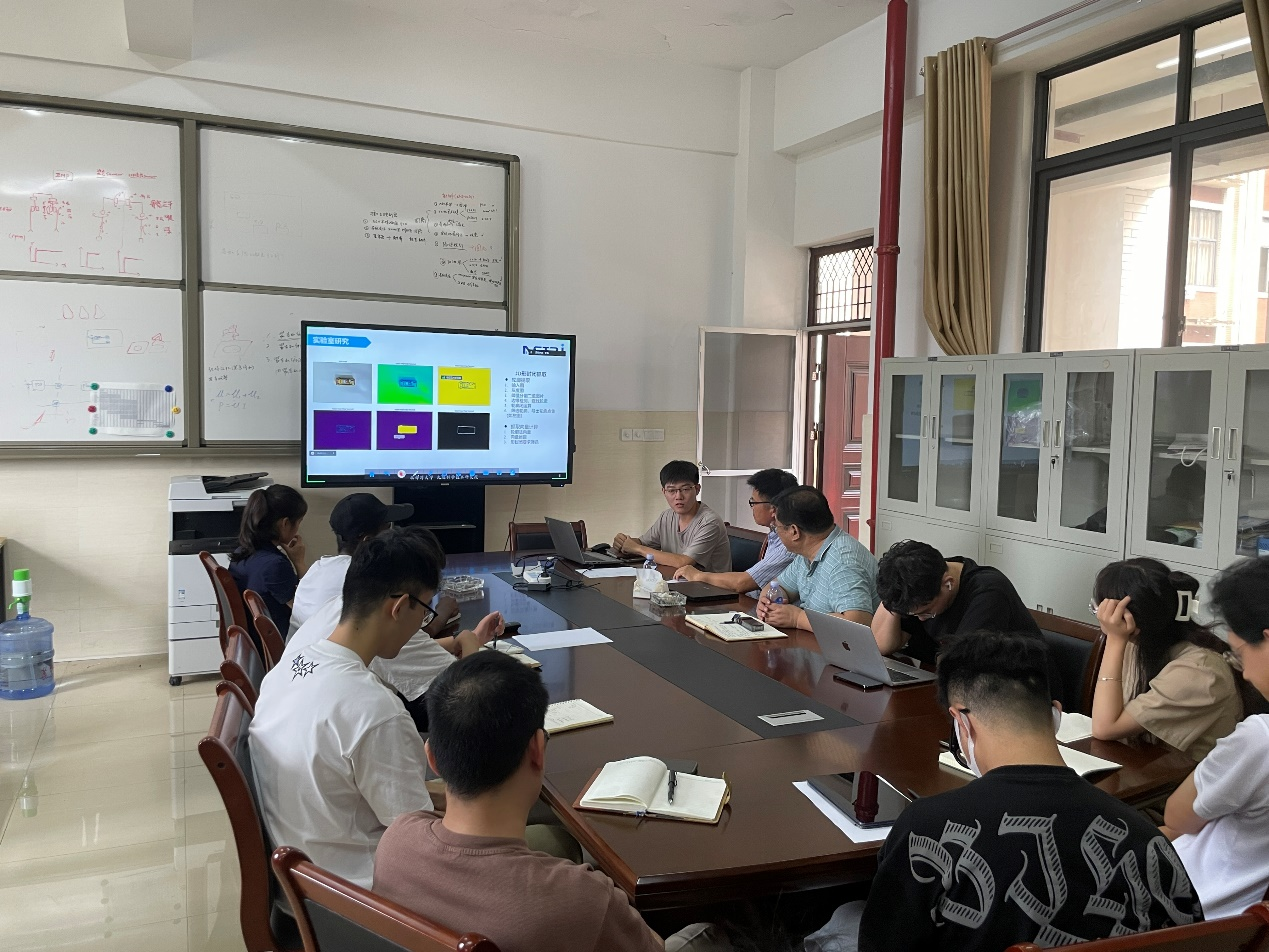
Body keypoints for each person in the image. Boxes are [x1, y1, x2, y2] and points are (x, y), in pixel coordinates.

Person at [812, 631, 1201, 952]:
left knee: (841, 922)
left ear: (962, 724)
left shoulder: (927, 829)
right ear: (1055, 714)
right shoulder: (1145, 838)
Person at [374, 650, 728, 952]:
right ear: (538, 751)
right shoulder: (581, 899)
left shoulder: (396, 843)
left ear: (433, 759)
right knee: (727, 929)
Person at [248, 526, 439, 888]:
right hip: (365, 891)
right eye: (426, 612)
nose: (422, 624)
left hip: (308, 869)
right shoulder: (376, 712)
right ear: (399, 608)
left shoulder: (288, 667)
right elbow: (418, 843)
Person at [281, 525, 503, 733]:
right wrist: (472, 650)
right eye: (425, 609)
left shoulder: (338, 610)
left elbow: (408, 650)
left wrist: (462, 640)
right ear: (400, 607)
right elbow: (471, 703)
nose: (422, 619)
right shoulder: (381, 714)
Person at [1164, 556, 1269, 917]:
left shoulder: (1259, 740)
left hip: (1199, 910)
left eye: (1240, 655)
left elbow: (1178, 817)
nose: (1246, 675)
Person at [1091, 558, 1241, 761]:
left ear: (1126, 620)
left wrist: (1114, 640)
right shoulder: (1138, 644)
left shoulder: (1200, 671)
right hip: (1144, 763)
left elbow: (1105, 728)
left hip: (1186, 775)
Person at [871, 540, 1054, 682]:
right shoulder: (919, 582)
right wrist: (893, 598)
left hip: (1022, 692)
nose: (921, 619)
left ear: (948, 583)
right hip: (964, 686)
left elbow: (956, 664)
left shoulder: (989, 592)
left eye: (927, 612)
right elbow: (880, 645)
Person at [289, 492, 459, 637]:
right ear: (368, 541)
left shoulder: (318, 568)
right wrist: (442, 611)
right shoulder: (367, 581)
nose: (394, 535)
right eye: (388, 528)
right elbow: (407, 641)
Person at [752, 486, 877, 631]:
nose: (777, 532)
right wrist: (766, 602)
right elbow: (779, 586)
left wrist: (797, 618)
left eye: (777, 527)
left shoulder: (844, 563)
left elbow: (858, 624)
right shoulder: (808, 551)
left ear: (794, 531)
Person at [672, 468, 797, 596]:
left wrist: (698, 575)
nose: (752, 508)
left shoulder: (790, 544)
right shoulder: (775, 534)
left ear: (773, 509)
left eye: (753, 502)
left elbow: (742, 583)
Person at [614, 460, 731, 573]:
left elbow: (683, 562)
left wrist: (636, 548)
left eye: (685, 489)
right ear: (664, 492)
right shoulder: (667, 516)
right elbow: (643, 543)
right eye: (671, 490)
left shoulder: (710, 522)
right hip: (676, 580)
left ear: (697, 489)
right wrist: (624, 542)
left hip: (708, 585)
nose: (678, 496)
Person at [228, 484, 309, 635]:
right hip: (280, 639)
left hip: (253, 637)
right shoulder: (275, 565)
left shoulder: (242, 552)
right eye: (299, 522)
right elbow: (307, 610)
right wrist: (299, 562)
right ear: (285, 523)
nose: (298, 528)